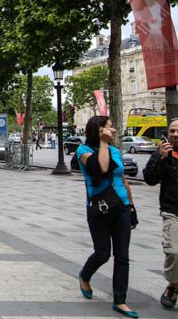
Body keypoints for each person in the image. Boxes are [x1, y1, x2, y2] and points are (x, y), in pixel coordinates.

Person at [77, 116, 138, 318]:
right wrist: (103, 143)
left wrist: (131, 207)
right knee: (102, 253)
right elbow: (101, 168)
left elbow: (122, 179)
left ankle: (120, 300)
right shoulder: (83, 151)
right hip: (100, 208)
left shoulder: (115, 150)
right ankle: (85, 275)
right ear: (99, 130)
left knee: (122, 256)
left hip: (121, 206)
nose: (114, 130)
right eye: (110, 128)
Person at [143, 118, 178, 309]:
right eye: (172, 131)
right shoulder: (163, 154)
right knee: (173, 251)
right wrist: (160, 157)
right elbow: (150, 179)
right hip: (173, 211)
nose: (175, 134)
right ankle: (173, 285)